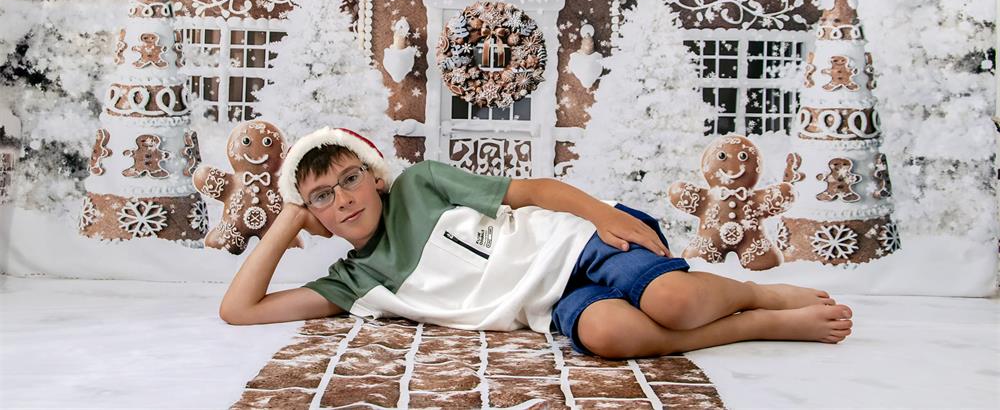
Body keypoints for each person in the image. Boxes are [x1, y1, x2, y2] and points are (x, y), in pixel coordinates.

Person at [219, 127, 852, 359]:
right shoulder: (355, 283)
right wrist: (284, 220)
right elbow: (240, 310)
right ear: (316, 216)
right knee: (609, 337)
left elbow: (532, 191)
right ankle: (751, 326)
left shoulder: (421, 184)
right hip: (550, 307)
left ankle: (755, 292)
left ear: (375, 178)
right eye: (322, 198)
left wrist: (603, 214)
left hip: (579, 244)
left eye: (349, 179)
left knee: (674, 304)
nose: (343, 200)